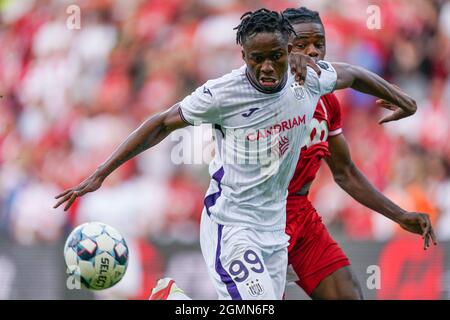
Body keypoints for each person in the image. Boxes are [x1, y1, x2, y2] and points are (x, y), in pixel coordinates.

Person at [55, 9, 420, 300]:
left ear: (287, 51)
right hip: (232, 225)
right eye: (256, 59)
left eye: (275, 57)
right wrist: (102, 172)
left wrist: (405, 102)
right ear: (243, 55)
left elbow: (353, 74)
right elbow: (162, 123)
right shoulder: (221, 94)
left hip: (275, 227)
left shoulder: (308, 79)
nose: (266, 67)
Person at [280, 6, 437, 300]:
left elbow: (345, 173)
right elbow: (350, 73)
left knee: (349, 295)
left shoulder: (326, 102)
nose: (312, 52)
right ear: (281, 49)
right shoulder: (261, 92)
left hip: (299, 214)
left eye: (319, 44)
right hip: (254, 221)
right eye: (301, 45)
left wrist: (400, 215)